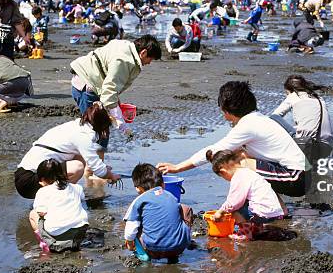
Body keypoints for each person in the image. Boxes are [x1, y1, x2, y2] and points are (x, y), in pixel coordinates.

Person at [158, 81, 308, 199]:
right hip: (302, 173)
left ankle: (247, 206)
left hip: (297, 178)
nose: (223, 116)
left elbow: (212, 151)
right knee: (240, 155)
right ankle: (274, 205)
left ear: (228, 109)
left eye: (223, 111)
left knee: (234, 163)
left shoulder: (248, 125)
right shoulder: (257, 118)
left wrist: (177, 168)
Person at [15, 102, 121, 199]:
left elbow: (91, 160)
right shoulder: (83, 136)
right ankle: (60, 198)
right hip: (28, 182)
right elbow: (99, 170)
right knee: (78, 167)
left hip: (23, 175)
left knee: (81, 158)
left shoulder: (76, 126)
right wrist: (111, 175)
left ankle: (61, 194)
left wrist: (103, 169)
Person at [70, 35, 161, 142]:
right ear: (143, 52)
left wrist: (115, 102)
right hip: (86, 85)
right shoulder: (124, 60)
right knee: (98, 134)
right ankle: (86, 156)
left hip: (90, 81)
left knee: (96, 131)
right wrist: (118, 119)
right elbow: (110, 89)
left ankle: (87, 155)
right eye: (150, 59)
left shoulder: (126, 46)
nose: (149, 63)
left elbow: (111, 80)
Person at [207, 149, 284, 241]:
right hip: (274, 211)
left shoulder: (238, 177)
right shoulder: (248, 172)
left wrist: (220, 212)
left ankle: (244, 234)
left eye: (223, 177)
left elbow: (234, 202)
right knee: (249, 203)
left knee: (235, 210)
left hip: (263, 213)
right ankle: (257, 229)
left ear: (223, 172)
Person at [123, 163, 192, 262]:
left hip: (153, 250)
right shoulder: (171, 196)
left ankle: (142, 254)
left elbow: (130, 230)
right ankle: (183, 241)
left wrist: (130, 244)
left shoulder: (139, 200)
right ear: (163, 184)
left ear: (138, 188)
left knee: (133, 221)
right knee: (185, 209)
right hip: (179, 247)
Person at [30, 159, 89, 253]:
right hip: (79, 232)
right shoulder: (77, 187)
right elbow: (82, 198)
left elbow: (41, 212)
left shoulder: (43, 192)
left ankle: (45, 243)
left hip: (57, 234)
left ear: (43, 179)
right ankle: (73, 243)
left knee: (33, 214)